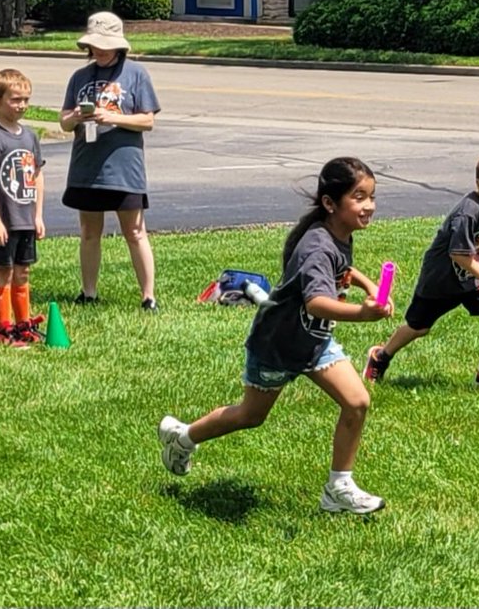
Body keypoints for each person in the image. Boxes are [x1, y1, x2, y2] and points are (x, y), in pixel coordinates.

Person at [157, 157, 392, 515]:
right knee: (250, 415)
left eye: (371, 197)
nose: (369, 206)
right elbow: (316, 304)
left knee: (357, 401)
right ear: (331, 204)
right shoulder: (317, 246)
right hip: (278, 345)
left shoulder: (337, 233)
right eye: (359, 197)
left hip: (313, 343)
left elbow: (342, 268)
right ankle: (182, 437)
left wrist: (369, 284)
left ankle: (338, 487)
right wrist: (364, 313)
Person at [363, 152, 479, 391]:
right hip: (440, 281)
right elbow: (457, 252)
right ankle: (380, 357)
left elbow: (473, 238)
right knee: (419, 328)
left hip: (468, 280)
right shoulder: (469, 211)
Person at [58, 11, 160, 311]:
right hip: (86, 166)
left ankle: (148, 296)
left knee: (135, 231)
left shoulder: (136, 74)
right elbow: (64, 121)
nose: (100, 51)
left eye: (106, 46)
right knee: (90, 232)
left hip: (124, 168)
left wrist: (112, 117)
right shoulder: (80, 77)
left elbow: (147, 120)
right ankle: (88, 292)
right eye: (96, 46)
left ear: (119, 46)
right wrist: (76, 116)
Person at [0, 69, 45, 347]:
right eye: (15, 99)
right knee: (4, 272)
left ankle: (22, 324)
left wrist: (38, 215)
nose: (21, 105)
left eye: (25, 100)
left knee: (23, 271)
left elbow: (37, 175)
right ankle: (3, 328)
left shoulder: (29, 136)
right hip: (4, 220)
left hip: (26, 218)